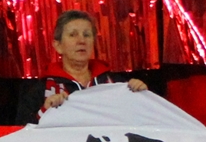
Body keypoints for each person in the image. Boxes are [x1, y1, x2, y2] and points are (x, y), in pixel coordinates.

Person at [16, 11, 148, 123]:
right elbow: (20, 134)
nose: (81, 41)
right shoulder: (39, 90)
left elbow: (141, 120)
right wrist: (44, 111)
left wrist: (142, 97)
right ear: (58, 46)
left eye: (87, 35)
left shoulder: (116, 83)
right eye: (73, 35)